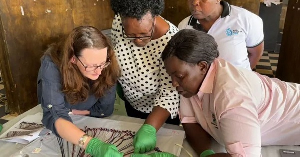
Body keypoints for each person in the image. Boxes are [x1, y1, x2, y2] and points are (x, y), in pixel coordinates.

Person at [161, 29, 300, 157]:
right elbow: (190, 121)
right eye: (171, 76)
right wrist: (207, 154)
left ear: (202, 66)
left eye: (178, 76)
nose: (174, 83)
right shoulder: (190, 83)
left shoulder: (231, 96)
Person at [37, 26, 123, 157]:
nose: (99, 71)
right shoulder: (52, 65)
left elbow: (105, 109)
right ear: (73, 59)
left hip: (85, 120)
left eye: (103, 63)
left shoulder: (107, 62)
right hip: (64, 125)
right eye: (92, 66)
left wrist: (78, 112)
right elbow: (55, 116)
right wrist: (90, 144)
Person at [110, 0, 180, 154]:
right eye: (130, 35)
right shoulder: (119, 22)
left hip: (159, 113)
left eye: (143, 34)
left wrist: (150, 127)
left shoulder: (172, 42)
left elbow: (170, 92)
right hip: (131, 103)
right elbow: (116, 51)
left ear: (155, 17)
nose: (137, 41)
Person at [178, 0, 264, 70]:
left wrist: (240, 76)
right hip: (201, 89)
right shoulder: (184, 26)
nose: (194, 2)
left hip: (237, 87)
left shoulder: (246, 19)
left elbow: (256, 53)